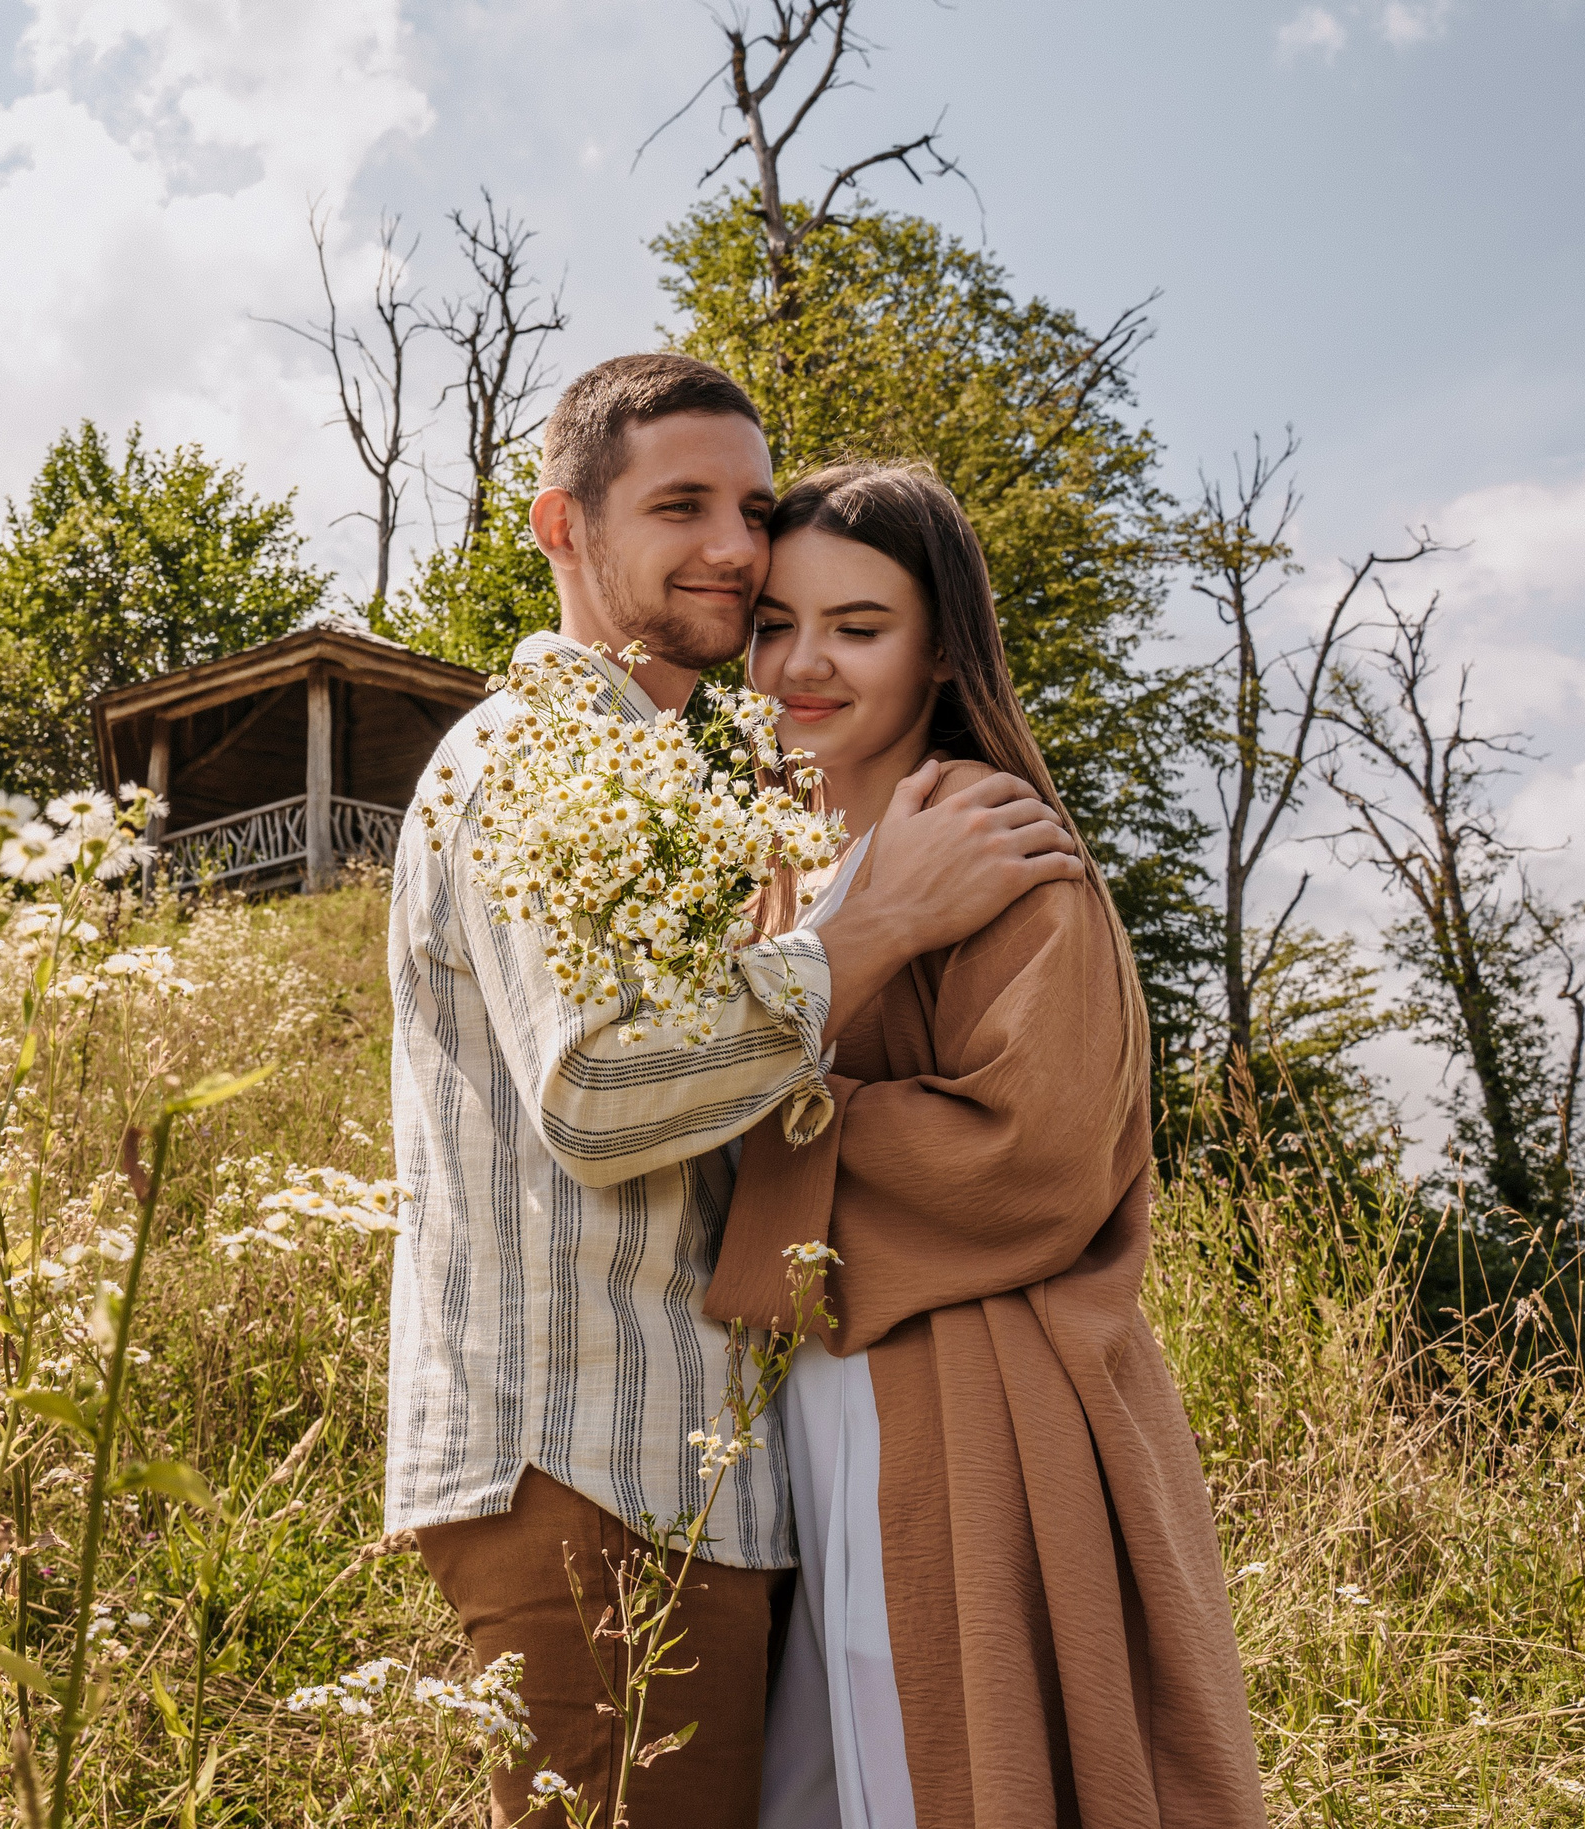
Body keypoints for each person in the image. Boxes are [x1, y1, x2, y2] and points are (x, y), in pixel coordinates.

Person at [385, 356, 1089, 1828]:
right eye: (680, 503)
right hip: (585, 1460)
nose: (730, 544)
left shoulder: (680, 785)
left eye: (750, 506)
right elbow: (594, 1093)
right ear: (562, 526)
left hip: (686, 1471)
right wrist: (869, 932)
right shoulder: (536, 757)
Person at [705, 462, 1263, 1828]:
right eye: (777, 623)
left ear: (943, 644)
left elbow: (1038, 1154)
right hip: (814, 1415)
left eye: (860, 625)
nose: (805, 663)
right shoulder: (777, 861)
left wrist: (755, 1131)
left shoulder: (1008, 854)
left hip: (968, 1408)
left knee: (938, 1774)